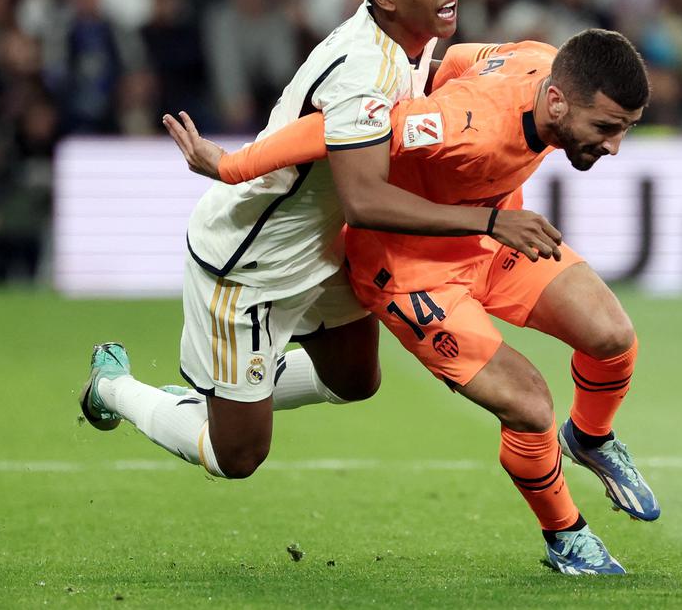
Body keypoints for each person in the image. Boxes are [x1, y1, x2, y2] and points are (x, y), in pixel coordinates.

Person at [78, 0, 562, 481]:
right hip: (254, 264)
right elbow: (365, 201)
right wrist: (488, 220)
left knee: (355, 379)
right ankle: (116, 386)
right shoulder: (363, 72)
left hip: (324, 249)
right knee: (237, 456)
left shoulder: (410, 40)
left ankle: (234, 391)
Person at [173, 30, 655, 575]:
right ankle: (566, 535)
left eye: (624, 130)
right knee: (529, 405)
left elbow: (454, 60)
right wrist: (234, 167)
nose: (614, 146)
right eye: (607, 128)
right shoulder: (461, 125)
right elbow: (338, 127)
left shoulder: (538, 59)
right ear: (557, 101)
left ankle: (590, 437)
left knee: (613, 338)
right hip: (412, 272)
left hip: (489, 239)